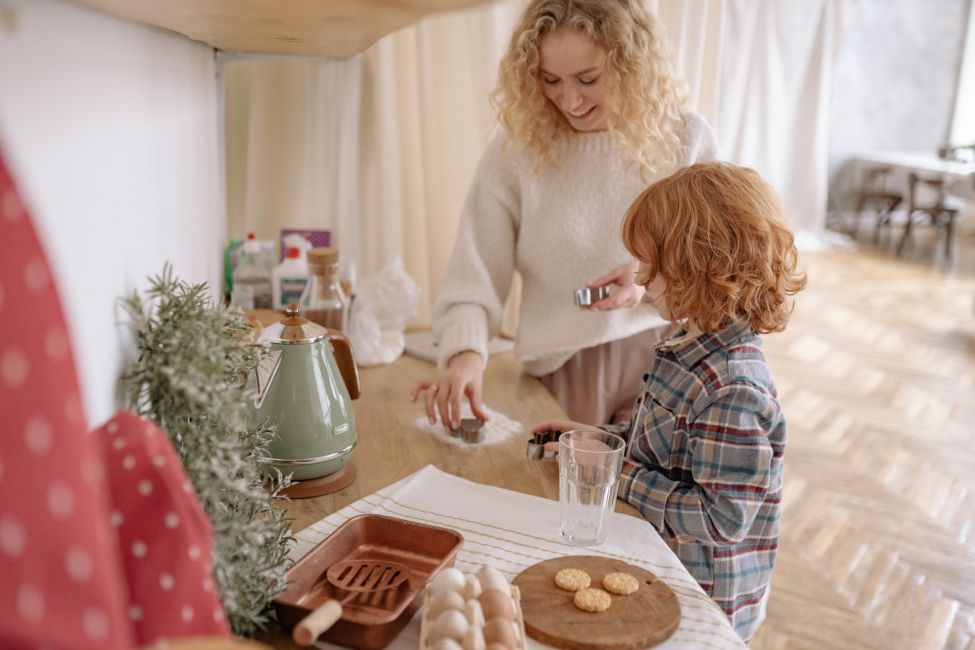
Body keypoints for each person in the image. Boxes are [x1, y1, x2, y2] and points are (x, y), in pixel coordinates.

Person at [410, 0, 718, 430]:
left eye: (588, 79)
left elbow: (717, 265)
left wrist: (650, 274)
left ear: (631, 65)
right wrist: (464, 358)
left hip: (671, 360)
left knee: (648, 495)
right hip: (561, 368)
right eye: (550, 79)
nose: (569, 100)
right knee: (558, 493)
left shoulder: (687, 139)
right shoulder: (516, 152)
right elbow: (471, 278)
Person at [532, 162, 808, 641]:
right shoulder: (683, 343)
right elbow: (664, 447)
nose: (638, 274)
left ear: (694, 266)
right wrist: (600, 440)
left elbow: (720, 521)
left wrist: (617, 473)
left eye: (648, 261)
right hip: (657, 562)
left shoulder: (732, 389)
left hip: (701, 602)